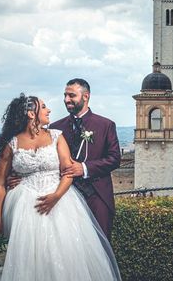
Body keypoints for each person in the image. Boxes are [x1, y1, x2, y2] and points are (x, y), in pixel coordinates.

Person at [0, 94, 121, 281]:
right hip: (22, 205)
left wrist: (56, 196)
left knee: (62, 255)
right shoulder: (11, 143)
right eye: (44, 106)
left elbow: (68, 171)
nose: (49, 110)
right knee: (24, 256)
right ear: (31, 113)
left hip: (60, 203)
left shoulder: (56, 136)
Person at [50, 78, 121, 240]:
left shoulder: (105, 125)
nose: (66, 100)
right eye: (65, 95)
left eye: (71, 95)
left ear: (86, 96)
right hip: (63, 197)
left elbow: (115, 158)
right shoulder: (55, 128)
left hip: (97, 196)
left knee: (100, 246)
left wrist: (85, 168)